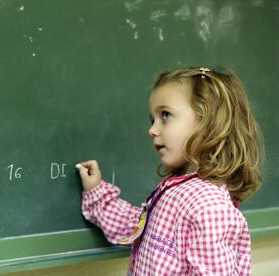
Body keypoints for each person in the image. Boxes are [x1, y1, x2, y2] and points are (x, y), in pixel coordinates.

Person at [76, 67, 264, 275]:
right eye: (152, 119)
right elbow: (136, 228)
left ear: (208, 121)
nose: (152, 130)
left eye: (165, 115)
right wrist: (98, 193)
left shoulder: (208, 206)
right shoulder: (175, 192)